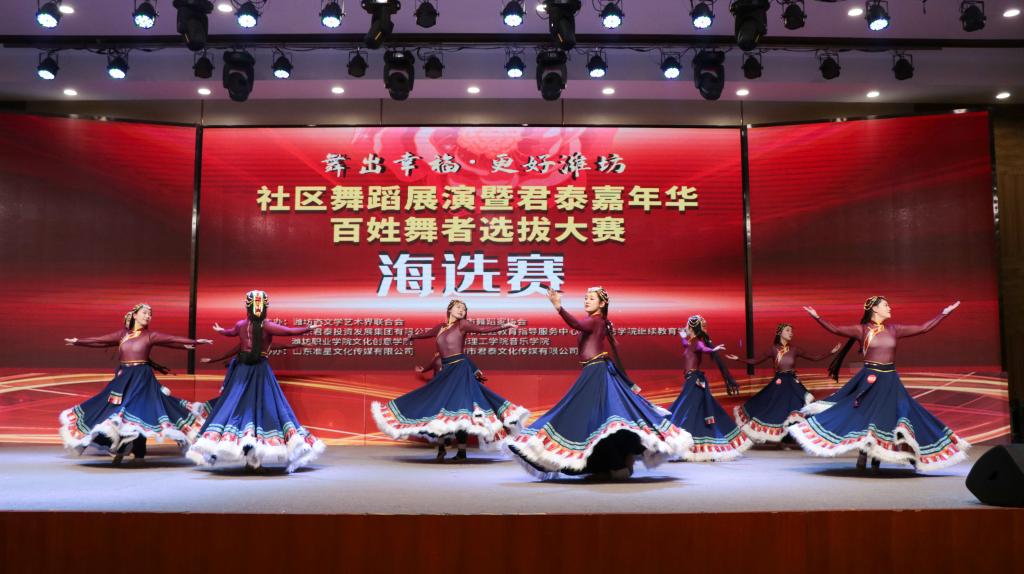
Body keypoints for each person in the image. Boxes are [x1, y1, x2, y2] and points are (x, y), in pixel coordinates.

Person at [507, 287, 692, 480]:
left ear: (602, 304)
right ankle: (609, 463)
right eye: (585, 298)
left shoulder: (596, 321)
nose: (586, 301)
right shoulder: (597, 321)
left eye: (591, 298)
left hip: (597, 372)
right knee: (596, 419)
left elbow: (575, 324)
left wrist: (558, 307)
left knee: (587, 414)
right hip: (592, 371)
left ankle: (615, 462)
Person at [789, 296, 970, 471]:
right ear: (875, 309)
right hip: (869, 379)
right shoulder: (862, 330)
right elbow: (835, 329)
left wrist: (944, 313)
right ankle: (863, 453)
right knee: (866, 414)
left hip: (890, 380)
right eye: (886, 305)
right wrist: (817, 317)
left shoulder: (894, 329)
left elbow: (924, 328)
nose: (889, 308)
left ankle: (876, 458)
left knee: (887, 415)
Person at [371, 299, 529, 462]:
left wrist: (505, 326)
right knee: (439, 408)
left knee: (461, 409)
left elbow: (482, 330)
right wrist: (412, 337)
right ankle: (441, 448)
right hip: (446, 370)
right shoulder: (440, 327)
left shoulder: (462, 324)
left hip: (460, 369)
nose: (462, 310)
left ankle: (461, 452)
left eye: (464, 309)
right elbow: (426, 334)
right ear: (450, 309)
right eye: (459, 307)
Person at [186, 290, 325, 473]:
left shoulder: (253, 326)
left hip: (250, 372)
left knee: (248, 408)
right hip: (250, 372)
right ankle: (251, 457)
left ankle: (252, 457)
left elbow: (283, 333)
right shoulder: (255, 325)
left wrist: (306, 329)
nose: (258, 308)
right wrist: (308, 328)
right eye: (256, 305)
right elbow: (286, 332)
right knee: (248, 408)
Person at [59, 303, 212, 464]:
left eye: (150, 314)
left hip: (142, 377)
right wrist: (78, 341)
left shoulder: (150, 335)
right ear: (134, 315)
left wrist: (196, 341)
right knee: (112, 408)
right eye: (144, 313)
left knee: (139, 409)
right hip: (124, 378)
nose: (148, 316)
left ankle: (137, 451)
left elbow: (171, 339)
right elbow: (101, 341)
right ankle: (122, 446)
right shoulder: (122, 334)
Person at [726, 323, 841, 444]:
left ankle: (801, 435)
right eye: (788, 330)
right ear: (780, 333)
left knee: (800, 406)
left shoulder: (794, 349)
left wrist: (831, 352)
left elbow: (814, 358)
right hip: (779, 383)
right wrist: (738, 359)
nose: (791, 333)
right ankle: (778, 435)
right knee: (774, 408)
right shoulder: (773, 349)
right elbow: (756, 361)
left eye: (791, 331)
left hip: (792, 383)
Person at [666, 315, 752, 461]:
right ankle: (692, 446)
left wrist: (713, 349)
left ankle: (686, 446)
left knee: (688, 410)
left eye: (686, 326)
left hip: (695, 381)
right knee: (696, 410)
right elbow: (686, 345)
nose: (685, 328)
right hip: (691, 380)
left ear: (691, 328)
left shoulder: (698, 343)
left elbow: (704, 348)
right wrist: (682, 338)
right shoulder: (690, 342)